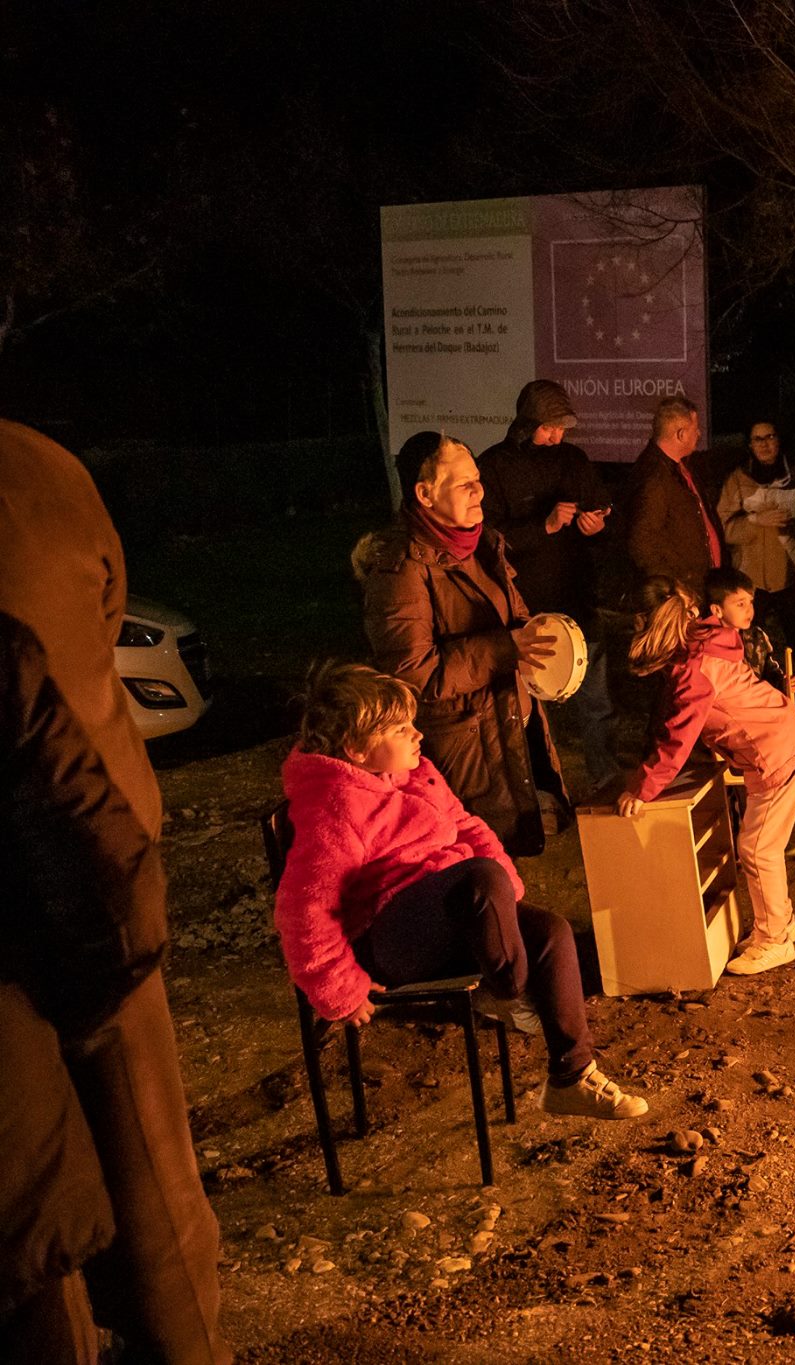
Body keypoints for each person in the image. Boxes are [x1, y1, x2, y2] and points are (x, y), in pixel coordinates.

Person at [0, 419, 228, 1363]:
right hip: (98, 855)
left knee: (33, 1200)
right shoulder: (37, 463)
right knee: (148, 1171)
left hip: (65, 870)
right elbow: (102, 612)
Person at [276, 664, 648, 1119]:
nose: (417, 735)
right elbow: (304, 908)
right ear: (356, 750)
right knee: (480, 878)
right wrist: (339, 988)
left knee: (551, 931)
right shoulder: (335, 806)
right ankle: (510, 990)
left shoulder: (415, 773)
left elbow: (466, 824)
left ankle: (571, 1076)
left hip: (452, 911)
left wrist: (504, 896)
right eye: (400, 728)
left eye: (412, 724)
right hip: (389, 939)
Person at [356, 431, 564, 855]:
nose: (479, 491)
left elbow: (512, 617)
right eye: (463, 484)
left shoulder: (482, 543)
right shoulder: (401, 572)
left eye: (478, 479)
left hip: (504, 726)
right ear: (425, 493)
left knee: (504, 862)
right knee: (473, 860)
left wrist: (540, 640)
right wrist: (505, 648)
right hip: (462, 750)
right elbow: (411, 674)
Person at [619, 579, 795, 975]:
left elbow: (678, 736)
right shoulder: (704, 643)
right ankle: (780, 926)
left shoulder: (694, 668)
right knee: (760, 846)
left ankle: (775, 940)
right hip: (782, 742)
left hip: (777, 751)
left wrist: (643, 788)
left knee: (759, 848)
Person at [477, 379, 621, 794]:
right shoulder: (495, 467)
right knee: (526, 706)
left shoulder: (573, 460)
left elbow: (603, 511)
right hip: (526, 605)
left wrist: (597, 526)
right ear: (526, 424)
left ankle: (606, 775)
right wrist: (545, 525)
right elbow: (489, 538)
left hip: (576, 595)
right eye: (549, 428)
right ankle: (536, 788)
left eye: (562, 428)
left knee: (595, 698)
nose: (557, 436)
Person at [626, 394, 723, 597]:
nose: (698, 433)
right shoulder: (654, 478)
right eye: (695, 429)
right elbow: (643, 541)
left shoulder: (681, 466)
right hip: (682, 593)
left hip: (699, 585)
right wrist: (672, 589)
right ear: (680, 435)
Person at [716, 420, 795, 638]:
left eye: (770, 437)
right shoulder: (738, 479)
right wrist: (755, 521)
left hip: (791, 575)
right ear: (750, 445)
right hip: (751, 580)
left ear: (779, 440)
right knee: (750, 641)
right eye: (758, 439)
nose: (764, 444)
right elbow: (722, 529)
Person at [704, 566, 795, 695]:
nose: (749, 610)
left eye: (751, 602)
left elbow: (769, 672)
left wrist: (783, 683)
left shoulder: (756, 636)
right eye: (741, 604)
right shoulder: (710, 646)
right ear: (717, 610)